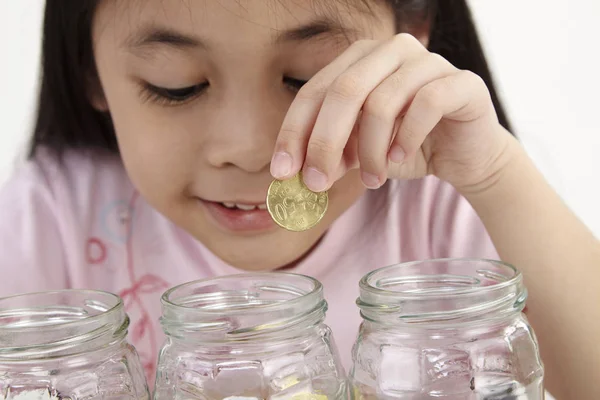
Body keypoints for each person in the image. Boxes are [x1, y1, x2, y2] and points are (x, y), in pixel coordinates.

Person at [0, 0, 598, 397]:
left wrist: (494, 172)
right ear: (89, 71)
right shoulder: (49, 218)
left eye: (308, 75)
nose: (253, 148)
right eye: (175, 85)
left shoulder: (449, 204)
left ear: (410, 34)